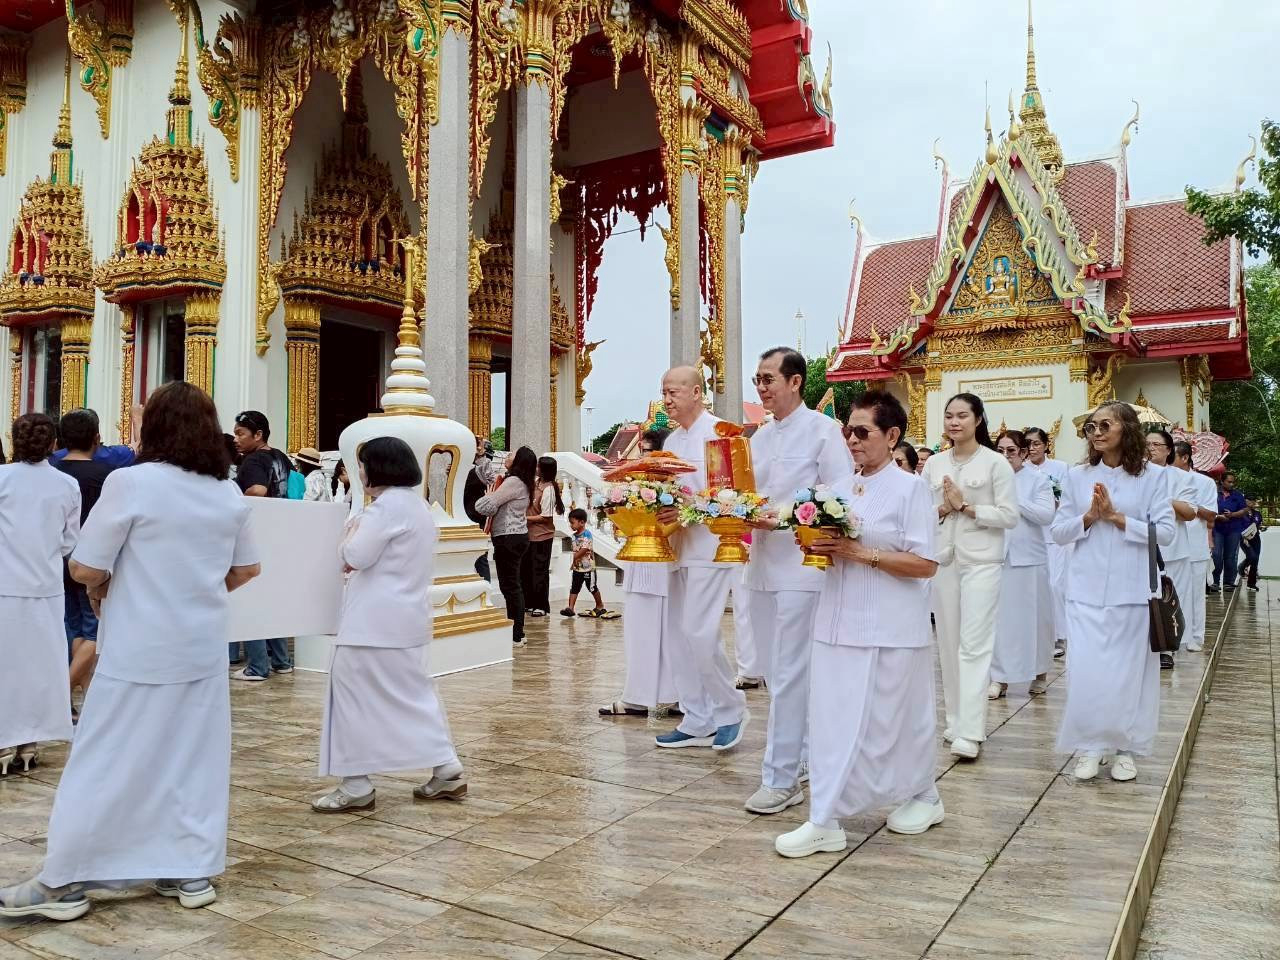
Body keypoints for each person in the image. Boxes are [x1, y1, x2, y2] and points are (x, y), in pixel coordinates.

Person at [0, 382, 260, 920]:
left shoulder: (132, 483)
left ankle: (64, 882)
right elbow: (244, 570)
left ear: (155, 428)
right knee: (192, 759)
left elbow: (87, 567)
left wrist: (110, 588)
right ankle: (188, 870)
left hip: (139, 645)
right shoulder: (225, 492)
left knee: (103, 759)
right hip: (200, 647)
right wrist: (193, 590)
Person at [775, 391, 941, 858]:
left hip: (890, 626)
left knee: (896, 721)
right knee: (831, 722)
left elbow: (926, 564)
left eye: (862, 431)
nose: (852, 439)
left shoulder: (912, 489)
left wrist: (862, 554)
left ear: (892, 436)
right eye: (848, 430)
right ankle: (825, 818)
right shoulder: (838, 490)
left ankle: (923, 795)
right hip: (836, 623)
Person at [311, 437, 465, 812]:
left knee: (350, 699)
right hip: (407, 619)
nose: (358, 472)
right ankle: (446, 766)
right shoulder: (417, 506)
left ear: (377, 468)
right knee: (413, 695)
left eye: (362, 464)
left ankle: (355, 782)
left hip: (371, 623)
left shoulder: (383, 509)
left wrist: (346, 539)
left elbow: (356, 555)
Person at [743, 346, 852, 815]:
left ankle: (781, 777)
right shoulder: (758, 438)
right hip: (762, 564)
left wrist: (786, 516)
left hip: (802, 567)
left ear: (794, 382)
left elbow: (840, 494)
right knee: (772, 671)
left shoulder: (824, 431)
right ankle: (803, 754)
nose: (762, 388)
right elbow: (746, 492)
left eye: (769, 379)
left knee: (790, 673)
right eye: (758, 380)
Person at [1052, 402, 1174, 783]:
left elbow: (1165, 532)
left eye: (1106, 424)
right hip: (1084, 589)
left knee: (1128, 674)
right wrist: (1089, 517)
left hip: (1132, 589)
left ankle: (1125, 748)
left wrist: (1118, 518)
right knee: (1086, 671)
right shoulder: (1077, 476)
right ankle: (1090, 745)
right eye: (1091, 427)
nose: (1098, 432)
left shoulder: (1153, 477)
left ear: (1128, 429)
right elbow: (1058, 532)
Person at [652, 366, 748, 751]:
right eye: (664, 392)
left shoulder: (721, 434)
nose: (667, 399)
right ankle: (697, 717)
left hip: (710, 546)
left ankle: (730, 710)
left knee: (699, 631)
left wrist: (686, 509)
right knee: (677, 635)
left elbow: (733, 497)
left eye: (674, 391)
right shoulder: (671, 441)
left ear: (696, 392)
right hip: (677, 547)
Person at [921, 393, 1018, 760]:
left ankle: (972, 731)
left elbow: (1010, 516)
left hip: (982, 562)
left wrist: (967, 507)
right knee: (947, 643)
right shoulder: (934, 465)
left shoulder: (996, 464)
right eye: (949, 416)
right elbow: (923, 514)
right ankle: (955, 719)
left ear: (978, 419)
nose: (954, 422)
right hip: (945, 561)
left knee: (974, 645)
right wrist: (945, 507)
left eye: (962, 415)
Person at [0, 414, 79, 777]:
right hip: (46, 587)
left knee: (6, 665)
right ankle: (29, 742)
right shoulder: (66, 485)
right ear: (52, 444)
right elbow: (69, 542)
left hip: (5, 584)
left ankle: (3, 739)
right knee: (39, 666)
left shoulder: (2, 480)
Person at [601, 428, 677, 718]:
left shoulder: (658, 489)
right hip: (651, 565)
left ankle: (639, 697)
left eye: (645, 450)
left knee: (646, 634)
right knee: (660, 634)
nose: (640, 456)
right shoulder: (655, 487)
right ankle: (671, 696)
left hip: (653, 563)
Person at [54, 409, 118, 706]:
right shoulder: (106, 476)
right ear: (96, 437)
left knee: (74, 626)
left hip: (59, 558)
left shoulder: (53, 472)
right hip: (93, 559)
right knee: (95, 632)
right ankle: (60, 692)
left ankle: (84, 696)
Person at [989, 431, 1055, 700]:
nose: (1005, 456)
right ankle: (1000, 678)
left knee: (1036, 619)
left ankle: (1039, 673)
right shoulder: (990, 480)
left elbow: (1045, 514)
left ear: (1024, 454)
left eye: (1011, 451)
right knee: (1000, 621)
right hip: (997, 557)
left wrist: (1013, 499)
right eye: (1000, 450)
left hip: (1029, 559)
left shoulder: (1037, 480)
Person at [229, 410, 294, 680]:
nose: (236, 439)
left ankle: (257, 666)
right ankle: (281, 660)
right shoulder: (280, 457)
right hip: (278, 533)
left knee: (251, 599)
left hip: (256, 533)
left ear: (258, 435)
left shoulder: (253, 460)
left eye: (240, 434)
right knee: (272, 600)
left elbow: (257, 491)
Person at [1147, 430, 1197, 669]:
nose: (1151, 448)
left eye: (1156, 444)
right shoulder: (1135, 473)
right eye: (1146, 444)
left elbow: (1189, 512)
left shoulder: (1180, 478)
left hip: (1174, 549)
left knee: (1171, 600)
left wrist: (1162, 499)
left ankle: (1168, 647)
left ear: (1169, 450)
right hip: (1142, 546)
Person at [476, 446, 535, 646]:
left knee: (510, 586)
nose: (507, 456)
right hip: (517, 537)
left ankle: (516, 634)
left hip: (508, 537)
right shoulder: (519, 482)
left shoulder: (513, 482)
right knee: (513, 585)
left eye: (512, 455)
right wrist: (482, 457)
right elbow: (492, 480)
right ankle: (517, 631)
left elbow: (485, 505)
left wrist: (485, 499)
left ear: (518, 462)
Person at [1024, 427, 1070, 659]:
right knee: (1036, 589)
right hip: (1031, 535)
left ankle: (1059, 636)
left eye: (1036, 444)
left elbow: (1067, 498)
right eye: (1028, 444)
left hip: (1055, 535)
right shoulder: (1020, 470)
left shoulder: (1060, 468)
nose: (1032, 449)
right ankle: (1038, 636)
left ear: (1045, 445)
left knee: (1055, 586)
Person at [1171, 442, 1216, 652]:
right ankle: (1174, 635)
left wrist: (1190, 506)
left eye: (1174, 456)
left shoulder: (1204, 482)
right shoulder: (1163, 479)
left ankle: (1196, 636)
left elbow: (1210, 515)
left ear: (1185, 458)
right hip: (1171, 545)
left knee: (1196, 594)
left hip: (1195, 544)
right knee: (1172, 592)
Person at [521, 456, 563, 618]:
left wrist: (525, 519)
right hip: (529, 535)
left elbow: (546, 517)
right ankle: (530, 602)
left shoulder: (549, 489)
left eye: (538, 466)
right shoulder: (536, 483)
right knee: (527, 570)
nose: (536, 468)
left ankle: (541, 605)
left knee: (539, 571)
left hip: (542, 536)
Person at [561, 508, 615, 618]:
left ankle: (600, 605)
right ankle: (570, 608)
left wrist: (576, 556)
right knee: (574, 587)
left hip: (588, 568)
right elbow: (576, 550)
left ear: (582, 522)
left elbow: (585, 549)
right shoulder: (573, 536)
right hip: (577, 568)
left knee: (592, 587)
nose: (571, 525)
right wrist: (574, 563)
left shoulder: (587, 534)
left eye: (572, 522)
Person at [464, 437, 497, 582]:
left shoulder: (483, 468)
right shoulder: (467, 467)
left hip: (478, 517)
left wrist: (481, 454)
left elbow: (490, 479)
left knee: (480, 555)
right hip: (464, 515)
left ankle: (486, 589)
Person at [1210, 472, 1248, 593]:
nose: (1231, 484)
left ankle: (1228, 582)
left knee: (1230, 556)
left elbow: (1244, 510)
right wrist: (1219, 516)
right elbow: (1208, 509)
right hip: (1218, 529)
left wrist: (1232, 515)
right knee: (1216, 555)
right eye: (1229, 482)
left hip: (1233, 529)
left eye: (1233, 482)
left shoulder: (1237, 495)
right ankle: (1215, 582)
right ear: (1222, 481)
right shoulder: (1214, 494)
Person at [1238, 496, 1263, 592]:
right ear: (1245, 501)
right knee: (1252, 556)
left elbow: (1258, 525)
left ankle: (1251, 583)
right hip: (1244, 538)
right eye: (1250, 500)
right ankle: (1241, 567)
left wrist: (1261, 528)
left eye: (1254, 500)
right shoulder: (1241, 513)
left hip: (1256, 538)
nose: (1252, 502)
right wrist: (1243, 537)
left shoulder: (1257, 514)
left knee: (1255, 560)